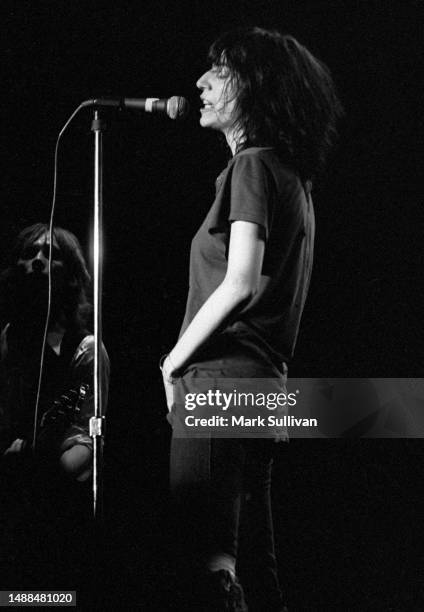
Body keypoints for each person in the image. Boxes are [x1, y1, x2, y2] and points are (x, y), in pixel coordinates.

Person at [160, 27, 342, 611]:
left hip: (219, 382)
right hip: (265, 390)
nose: (201, 83)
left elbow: (240, 281)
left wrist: (174, 360)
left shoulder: (253, 170)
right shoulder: (294, 181)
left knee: (205, 561)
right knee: (256, 571)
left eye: (220, 71)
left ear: (257, 87)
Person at [0, 222, 109, 586]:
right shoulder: (8, 340)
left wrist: (37, 463)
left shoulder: (87, 348)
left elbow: (87, 439)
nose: (37, 261)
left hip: (61, 504)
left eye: (51, 254)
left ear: (72, 273)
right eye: (29, 253)